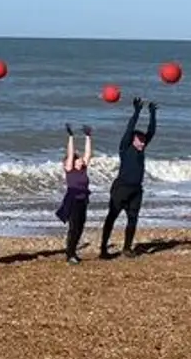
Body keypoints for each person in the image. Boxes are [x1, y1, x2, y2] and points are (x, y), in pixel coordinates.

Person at [100, 98, 157, 258]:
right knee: (111, 217)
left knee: (133, 219)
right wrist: (137, 111)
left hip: (136, 190)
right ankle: (103, 248)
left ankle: (127, 248)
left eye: (144, 140)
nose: (143, 141)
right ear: (133, 139)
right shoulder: (125, 147)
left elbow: (151, 131)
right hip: (121, 189)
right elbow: (129, 128)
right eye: (140, 139)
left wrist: (152, 113)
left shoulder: (142, 150)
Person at [57, 125, 92, 264]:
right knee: (73, 227)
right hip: (73, 200)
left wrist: (88, 137)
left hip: (83, 200)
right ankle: (70, 254)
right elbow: (70, 153)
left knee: (80, 226)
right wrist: (71, 137)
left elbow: (88, 154)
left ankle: (73, 252)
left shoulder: (83, 169)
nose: (81, 159)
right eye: (78, 159)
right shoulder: (70, 169)